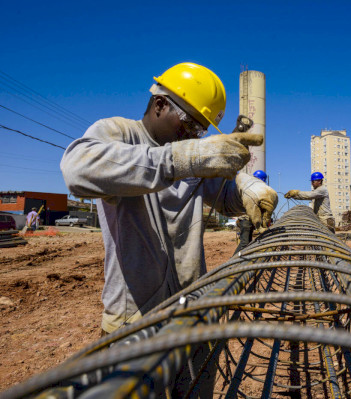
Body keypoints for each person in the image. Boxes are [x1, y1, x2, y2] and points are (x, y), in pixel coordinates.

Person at [61, 62, 278, 335]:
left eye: (200, 131)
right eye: (189, 123)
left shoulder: (189, 158)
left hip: (188, 307)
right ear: (160, 105)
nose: (192, 135)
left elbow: (224, 195)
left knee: (192, 377)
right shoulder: (120, 133)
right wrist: (181, 159)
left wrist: (247, 189)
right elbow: (77, 170)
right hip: (134, 319)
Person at [233, 170, 270, 255]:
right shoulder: (254, 190)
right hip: (246, 220)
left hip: (246, 220)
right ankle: (232, 263)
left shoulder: (248, 187)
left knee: (248, 243)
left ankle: (241, 262)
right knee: (244, 243)